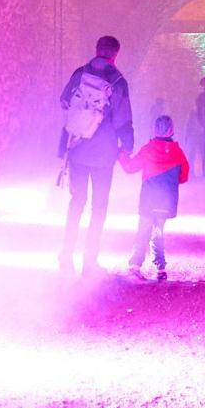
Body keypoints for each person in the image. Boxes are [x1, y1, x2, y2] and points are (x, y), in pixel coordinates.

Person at [57, 36, 135, 275]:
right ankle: (89, 262)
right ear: (115, 55)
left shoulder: (80, 73)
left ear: (97, 49)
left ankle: (66, 257)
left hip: (77, 149)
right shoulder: (118, 81)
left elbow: (64, 102)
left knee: (76, 203)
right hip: (104, 154)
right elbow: (122, 119)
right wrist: (128, 144)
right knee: (99, 207)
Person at [118, 115, 190, 281]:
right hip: (166, 201)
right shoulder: (178, 153)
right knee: (158, 233)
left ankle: (135, 264)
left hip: (148, 200)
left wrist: (121, 154)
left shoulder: (148, 149)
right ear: (172, 130)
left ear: (154, 129)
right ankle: (161, 268)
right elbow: (183, 176)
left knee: (143, 231)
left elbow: (130, 168)